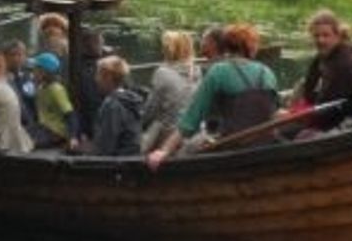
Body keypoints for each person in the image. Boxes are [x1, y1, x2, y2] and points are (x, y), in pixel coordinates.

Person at [146, 24, 280, 170]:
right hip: (264, 147)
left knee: (184, 152)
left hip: (233, 149)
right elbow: (274, 114)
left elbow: (191, 120)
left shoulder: (219, 71)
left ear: (227, 46)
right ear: (251, 47)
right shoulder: (268, 73)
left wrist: (164, 150)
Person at [290, 9, 352, 129]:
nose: (320, 40)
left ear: (337, 36)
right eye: (316, 36)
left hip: (349, 120)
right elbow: (309, 86)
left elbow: (328, 106)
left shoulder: (346, 62)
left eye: (326, 35)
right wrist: (300, 103)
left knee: (287, 131)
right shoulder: (324, 55)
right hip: (332, 112)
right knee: (300, 85)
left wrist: (302, 118)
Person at [141, 30, 201, 153]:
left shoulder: (162, 73)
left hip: (168, 135)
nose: (162, 50)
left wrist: (138, 123)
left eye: (164, 48)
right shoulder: (197, 70)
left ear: (169, 50)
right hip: (192, 131)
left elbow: (151, 111)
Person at [91, 55, 144, 156]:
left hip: (117, 162)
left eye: (98, 74)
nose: (96, 79)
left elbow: (106, 147)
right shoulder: (129, 100)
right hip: (132, 159)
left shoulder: (112, 104)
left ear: (108, 77)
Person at [27, 52, 79, 150]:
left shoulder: (56, 90)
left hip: (55, 132)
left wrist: (73, 137)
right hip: (43, 127)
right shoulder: (41, 88)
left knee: (27, 143)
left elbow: (70, 114)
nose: (33, 73)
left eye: (35, 70)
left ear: (44, 72)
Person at [1, 39, 38, 126]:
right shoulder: (0, 78)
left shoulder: (29, 75)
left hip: (31, 124)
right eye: (13, 55)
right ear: (4, 57)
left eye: (20, 55)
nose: (16, 59)